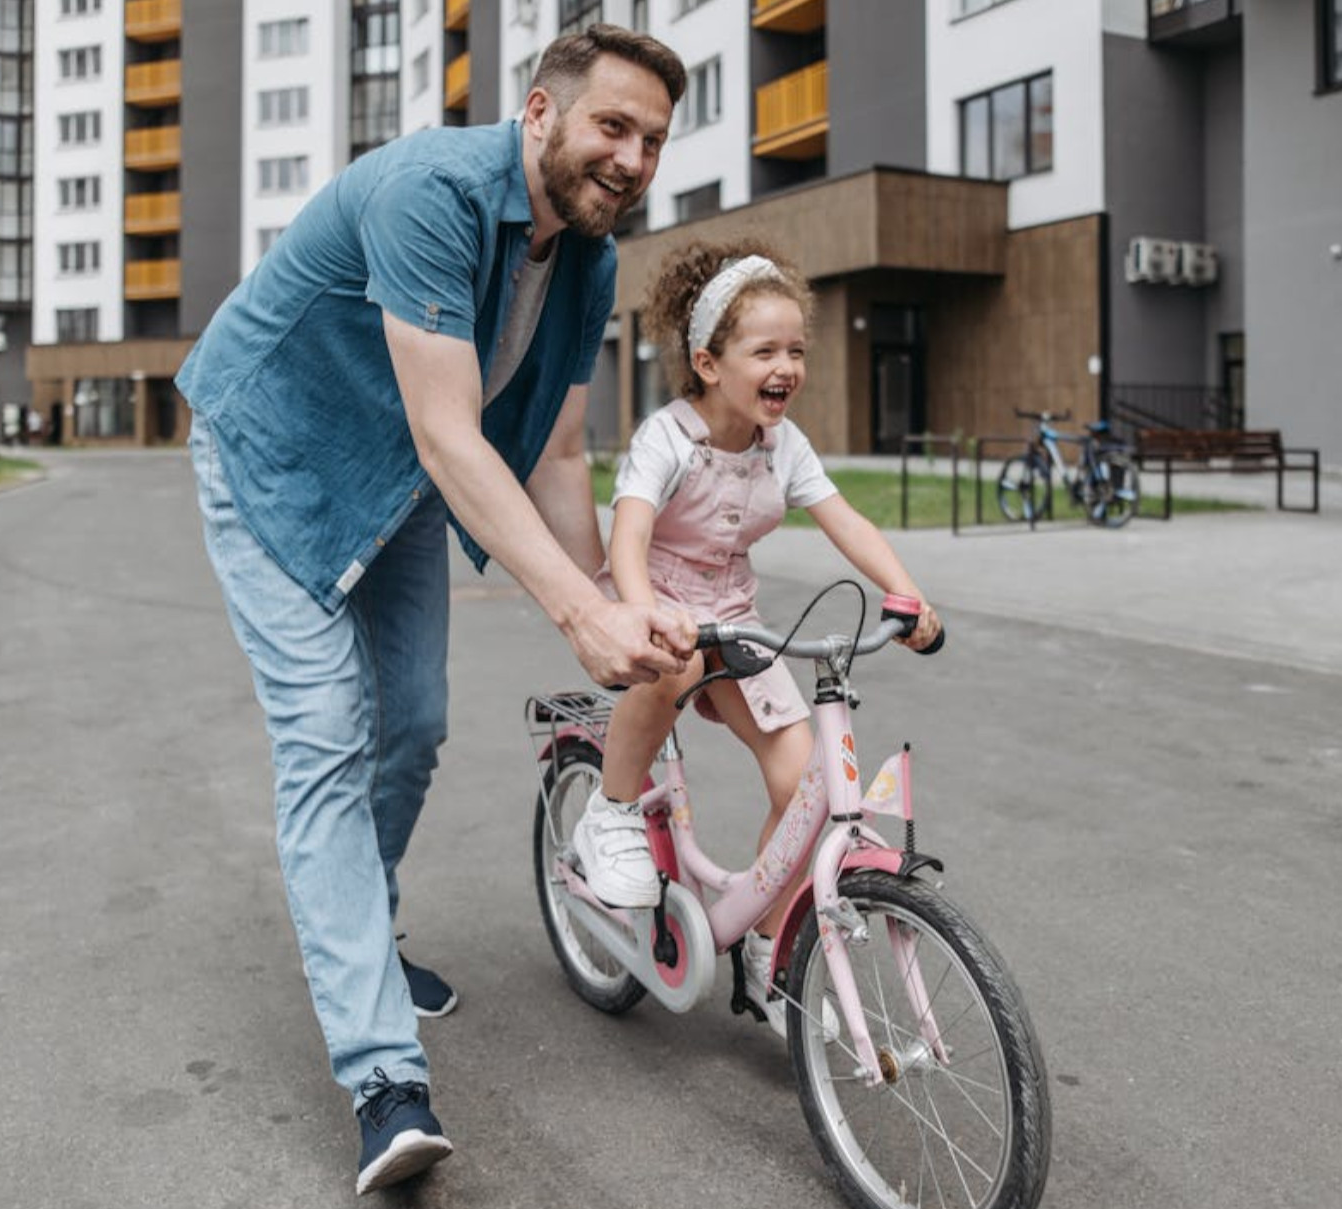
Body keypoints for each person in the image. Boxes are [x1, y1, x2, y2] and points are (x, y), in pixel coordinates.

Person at [176, 26, 689, 1195]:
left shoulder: (591, 263)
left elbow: (558, 452)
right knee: (324, 737)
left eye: (654, 140)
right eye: (614, 125)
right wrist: (575, 619)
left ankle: (372, 935)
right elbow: (454, 432)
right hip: (274, 454)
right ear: (543, 113)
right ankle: (381, 1080)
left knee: (412, 725)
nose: (633, 158)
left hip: (397, 476)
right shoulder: (432, 193)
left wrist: (622, 610)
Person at [570, 239, 942, 1036]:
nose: (788, 365)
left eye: (797, 349)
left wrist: (904, 590)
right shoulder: (666, 438)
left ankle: (767, 946)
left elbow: (844, 517)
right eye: (765, 349)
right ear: (707, 362)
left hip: (736, 616)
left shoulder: (785, 444)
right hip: (659, 600)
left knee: (805, 783)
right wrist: (642, 611)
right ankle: (611, 809)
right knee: (665, 670)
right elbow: (628, 535)